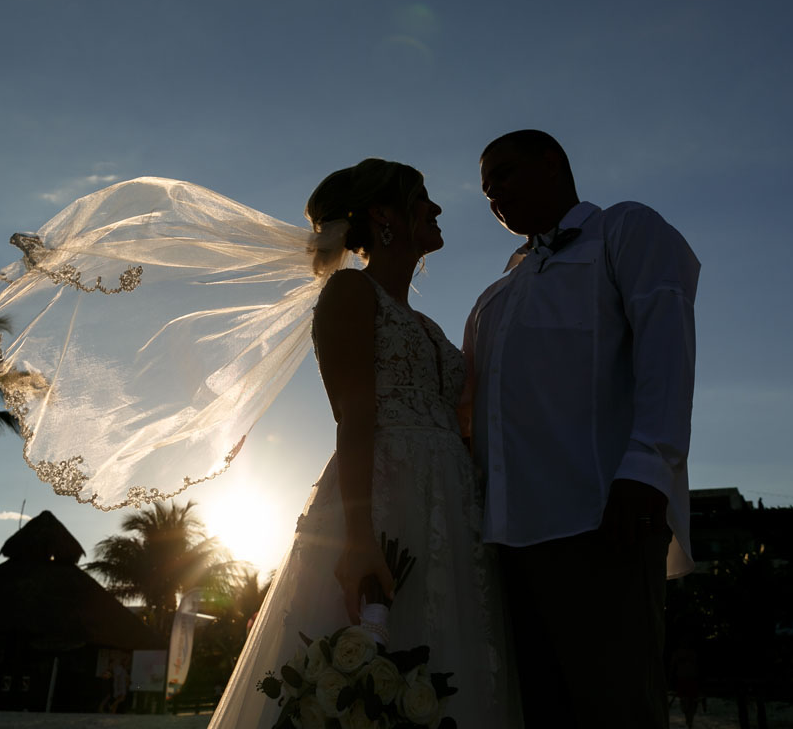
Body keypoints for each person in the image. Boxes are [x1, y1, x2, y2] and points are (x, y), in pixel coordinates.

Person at [208, 159, 521, 728]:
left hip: (453, 507)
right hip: (385, 500)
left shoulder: (426, 325)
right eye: (422, 197)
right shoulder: (350, 292)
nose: (437, 208)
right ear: (383, 214)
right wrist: (358, 539)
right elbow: (353, 417)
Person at [462, 129, 700, 727]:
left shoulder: (623, 230)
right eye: (487, 191)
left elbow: (666, 340)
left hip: (600, 521)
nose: (495, 196)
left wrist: (649, 465)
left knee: (616, 705)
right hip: (505, 543)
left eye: (505, 176)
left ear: (552, 163)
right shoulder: (497, 295)